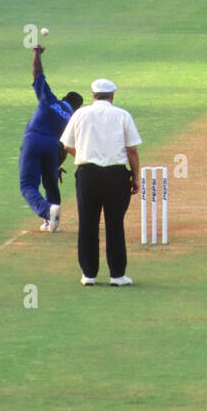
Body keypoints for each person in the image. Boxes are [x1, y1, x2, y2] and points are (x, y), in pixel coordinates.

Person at [60, 77, 143, 287]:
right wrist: (135, 176)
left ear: (93, 95)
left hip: (88, 174)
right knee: (115, 224)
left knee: (87, 223)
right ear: (112, 96)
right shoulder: (122, 115)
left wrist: (83, 156)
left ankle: (88, 274)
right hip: (116, 175)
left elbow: (66, 145)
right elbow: (132, 149)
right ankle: (117, 275)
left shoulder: (80, 114)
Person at [20, 45, 83, 232]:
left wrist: (37, 54)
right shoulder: (73, 119)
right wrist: (56, 165)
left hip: (33, 140)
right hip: (53, 148)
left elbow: (37, 74)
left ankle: (48, 211)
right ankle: (52, 223)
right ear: (77, 108)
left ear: (64, 98)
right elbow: (66, 146)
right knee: (51, 182)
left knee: (27, 185)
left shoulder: (50, 100)